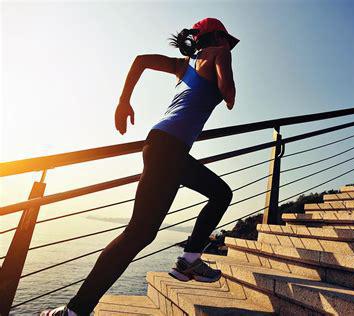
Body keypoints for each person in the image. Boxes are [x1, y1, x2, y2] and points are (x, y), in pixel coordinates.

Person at [40, 17, 238, 316]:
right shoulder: (220, 54)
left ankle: (189, 260)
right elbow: (230, 96)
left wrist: (123, 101)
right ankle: (74, 311)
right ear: (217, 37)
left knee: (209, 199)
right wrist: (225, 61)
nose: (227, 44)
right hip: (168, 149)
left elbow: (141, 60)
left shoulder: (184, 65)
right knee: (139, 233)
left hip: (164, 146)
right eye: (224, 39)